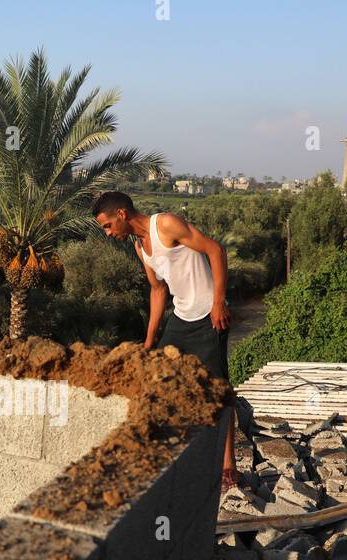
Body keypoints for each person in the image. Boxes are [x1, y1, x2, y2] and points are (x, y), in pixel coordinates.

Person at [92, 190, 238, 487]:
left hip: (208, 316)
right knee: (160, 379)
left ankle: (228, 466)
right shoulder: (140, 248)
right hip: (181, 319)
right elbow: (158, 291)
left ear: (121, 214)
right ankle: (166, 453)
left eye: (107, 226)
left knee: (218, 391)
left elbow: (216, 250)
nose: (108, 233)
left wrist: (219, 302)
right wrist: (149, 341)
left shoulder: (166, 225)